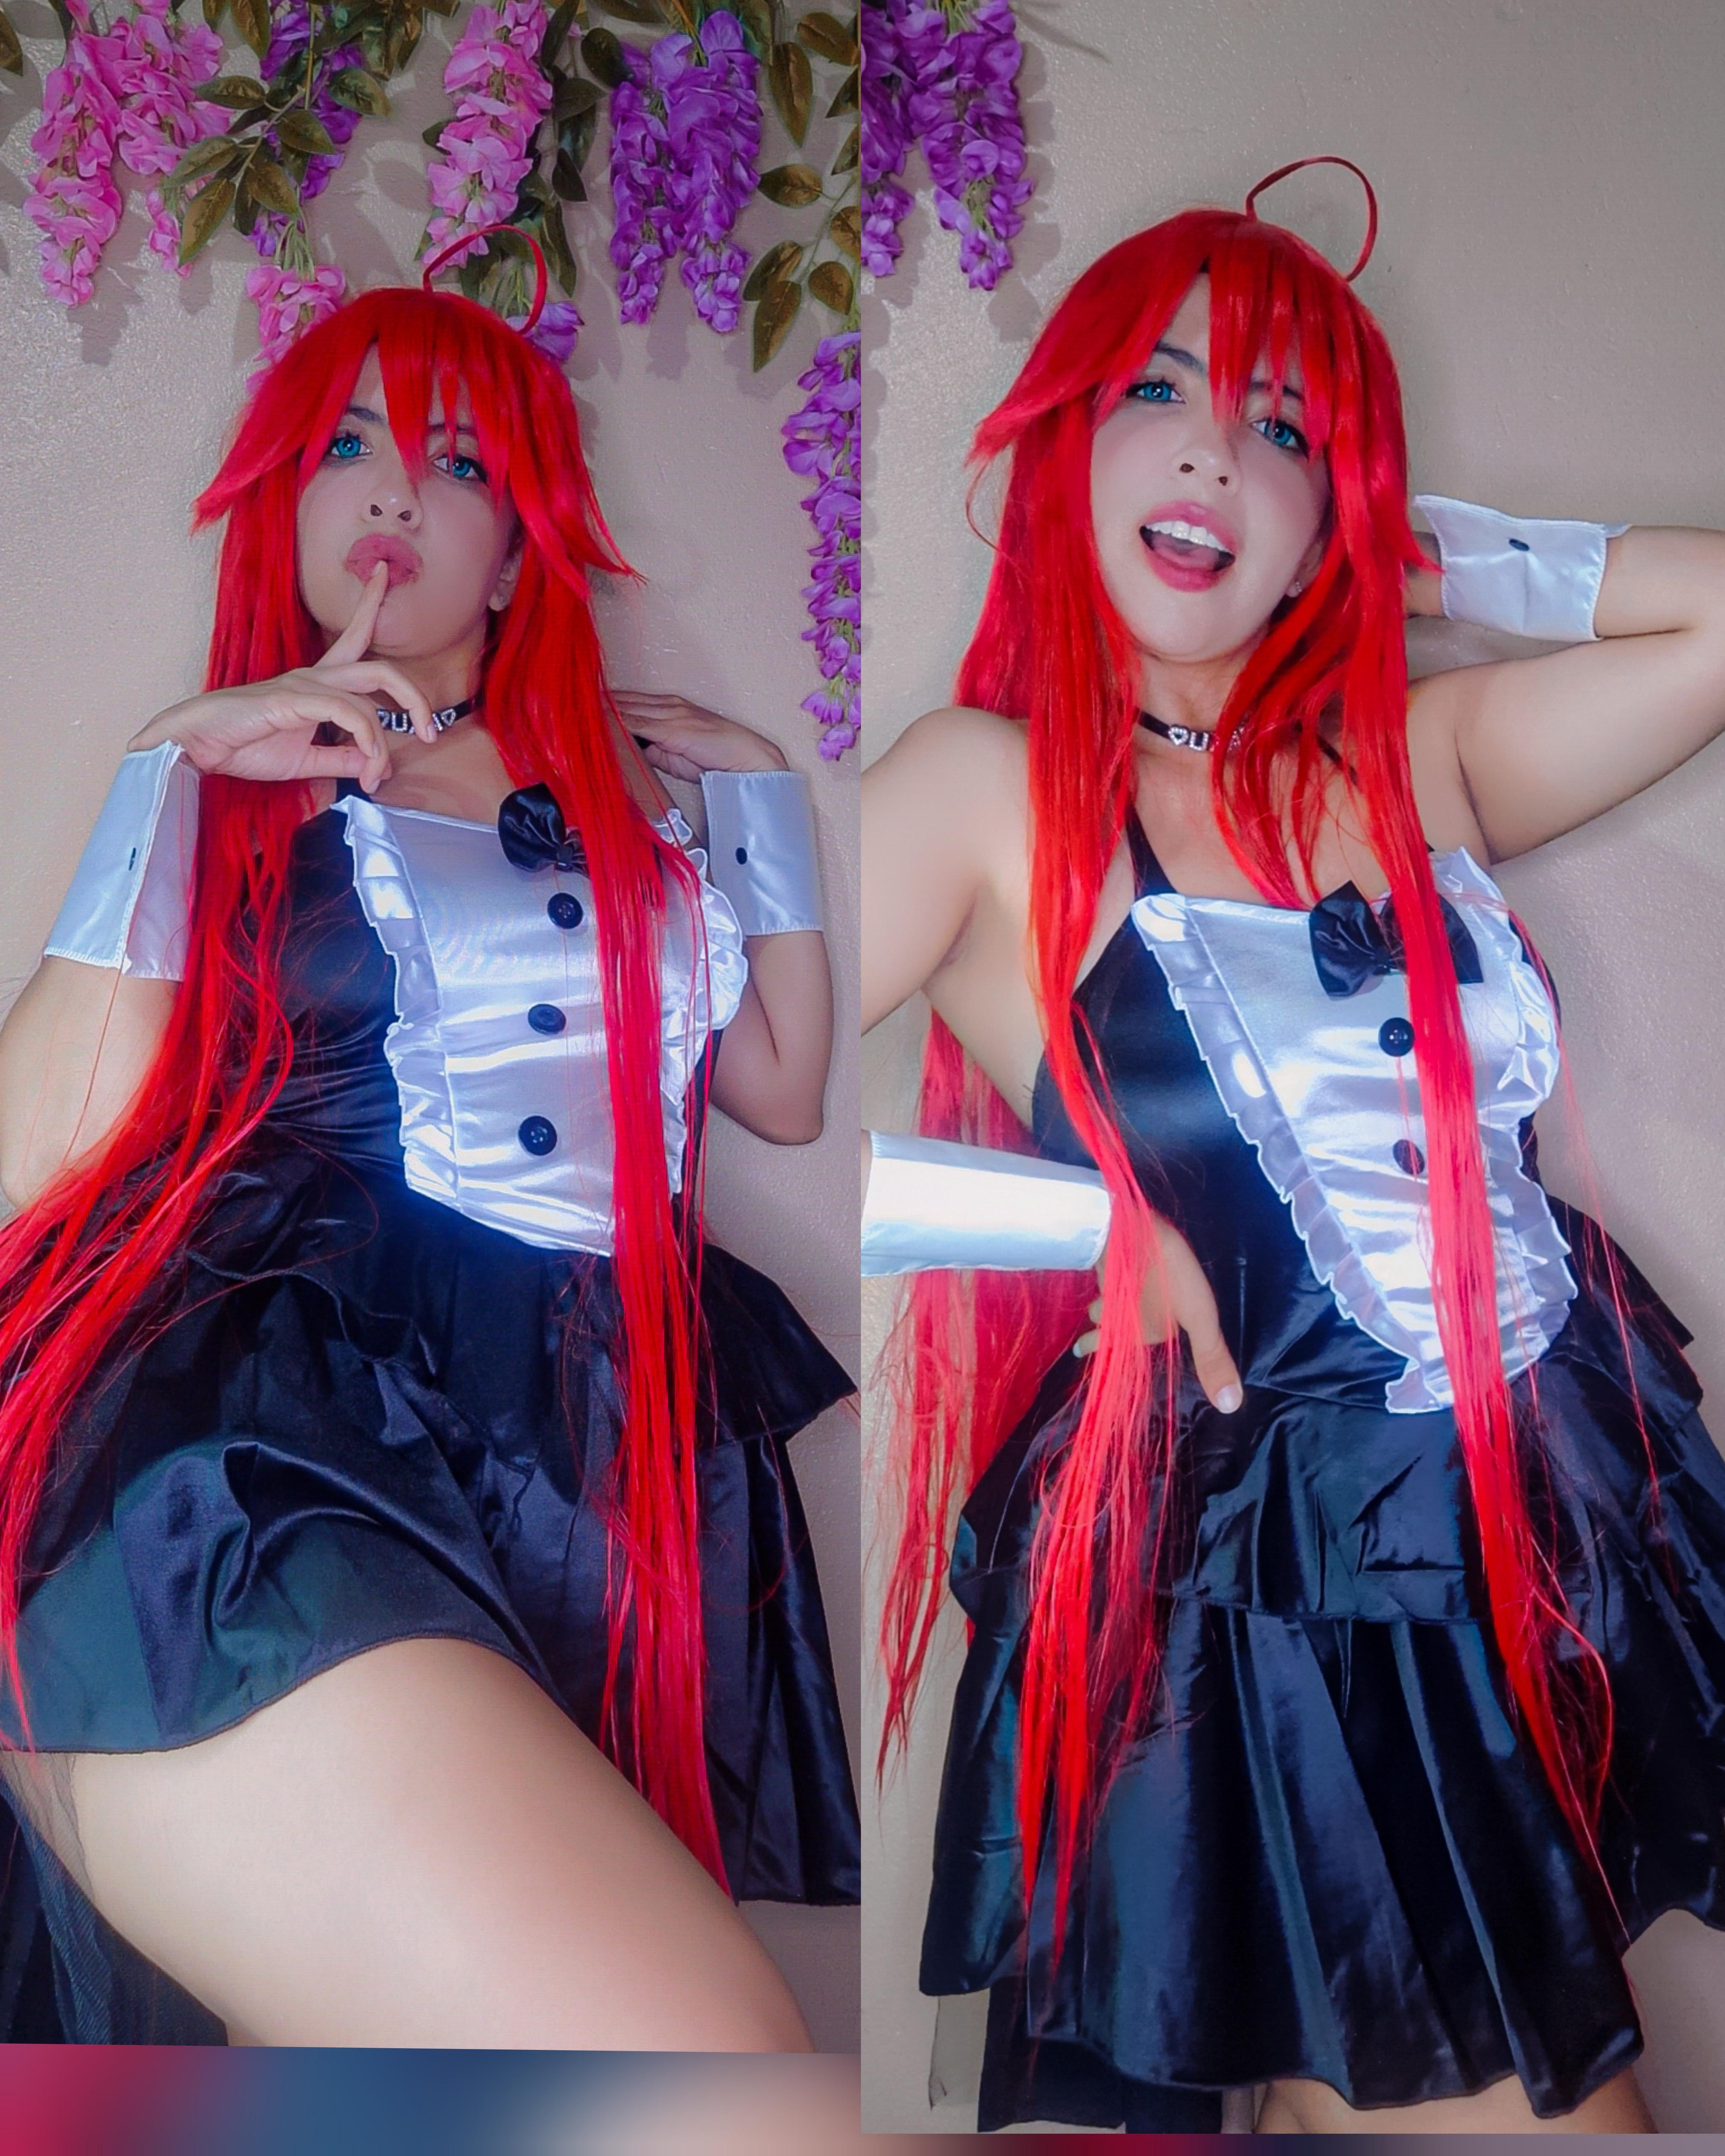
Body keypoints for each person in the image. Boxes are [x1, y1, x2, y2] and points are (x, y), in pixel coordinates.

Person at [862, 176, 1725, 2132]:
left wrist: (1425, 549)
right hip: (1260, 1588)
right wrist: (1076, 1223)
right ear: (1068, 435)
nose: (1209, 456)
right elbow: (719, 1077)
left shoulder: (1419, 755)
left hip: (1542, 1501)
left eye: (1280, 426)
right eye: (1158, 389)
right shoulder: (983, 786)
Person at [0, 282, 859, 2047]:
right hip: (293, 1426)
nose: (395, 485)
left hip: (592, 1440)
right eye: (348, 444)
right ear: (286, 507)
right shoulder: (246, 775)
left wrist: (761, 801)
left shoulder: (630, 810)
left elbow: (778, 1091)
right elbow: (38, 1152)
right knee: (682, 2058)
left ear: (520, 547)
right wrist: (171, 763)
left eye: (458, 461)